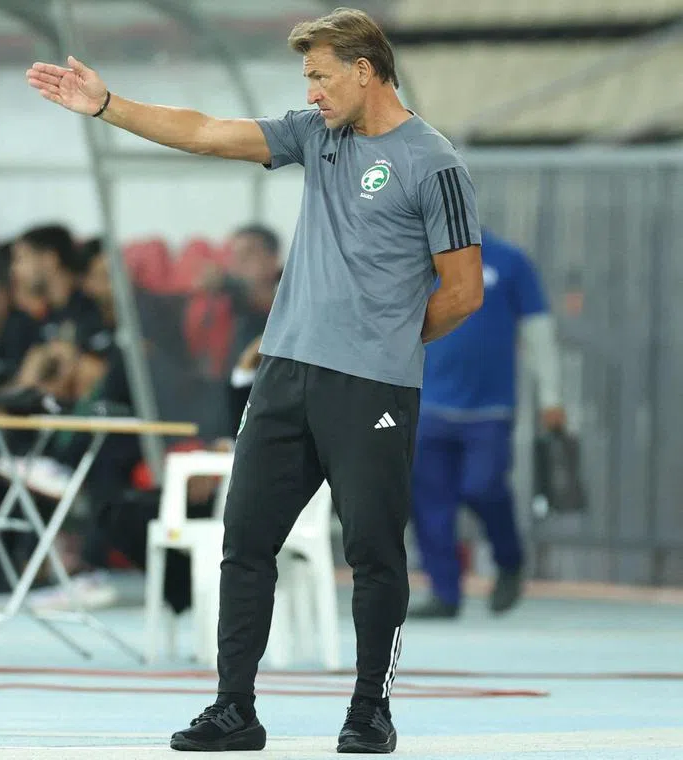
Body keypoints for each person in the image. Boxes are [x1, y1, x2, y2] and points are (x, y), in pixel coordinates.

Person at [29, 7, 485, 754]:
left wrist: (386, 340)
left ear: (364, 72)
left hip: (370, 387)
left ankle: (370, 709)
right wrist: (108, 106)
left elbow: (463, 290)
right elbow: (206, 131)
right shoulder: (318, 137)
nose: (310, 92)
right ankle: (233, 709)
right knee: (243, 542)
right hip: (283, 376)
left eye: (319, 75)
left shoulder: (432, 162)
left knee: (372, 550)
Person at [408, 228, 565, 619]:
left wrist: (551, 397)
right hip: (427, 404)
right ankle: (445, 592)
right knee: (430, 504)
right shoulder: (413, 259)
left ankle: (509, 560)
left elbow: (538, 330)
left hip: (489, 409)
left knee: (483, 486)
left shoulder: (509, 261)